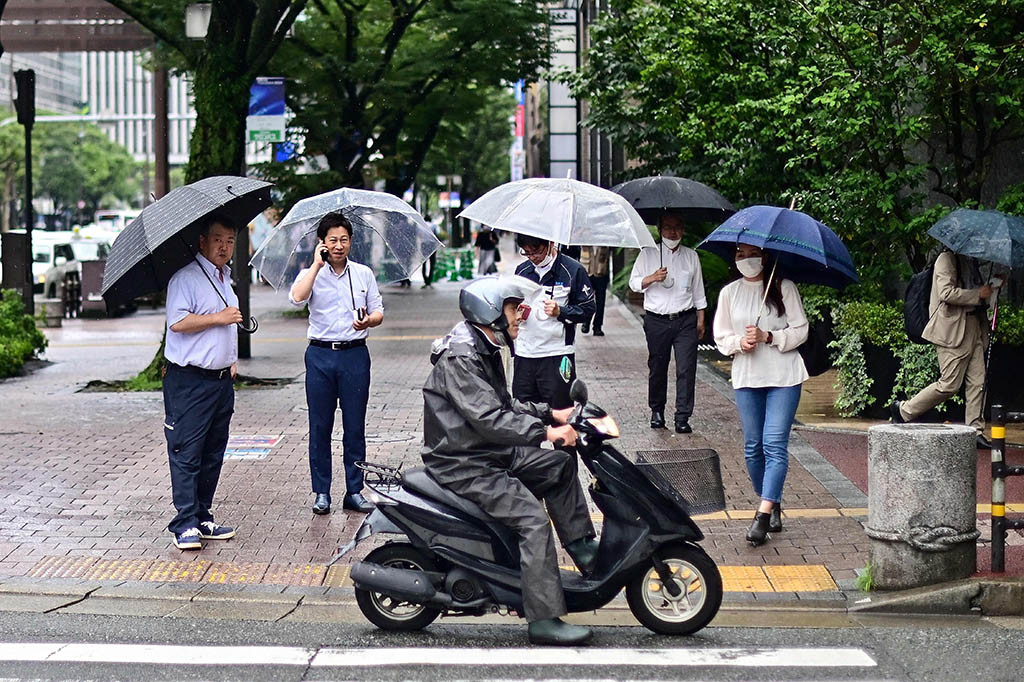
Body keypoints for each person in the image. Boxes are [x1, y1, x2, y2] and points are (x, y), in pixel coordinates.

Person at [421, 276, 598, 646]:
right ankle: (544, 618)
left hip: (485, 449)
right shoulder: (461, 357)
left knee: (559, 467)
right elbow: (491, 419)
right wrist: (547, 434)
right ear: (489, 312)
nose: (521, 315)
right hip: (463, 461)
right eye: (513, 308)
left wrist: (552, 413)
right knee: (533, 522)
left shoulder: (482, 346)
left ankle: (584, 549)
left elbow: (504, 405)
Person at [713, 242, 808, 546]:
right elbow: (721, 336)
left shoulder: (784, 287)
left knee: (774, 444)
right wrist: (740, 343)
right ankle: (772, 497)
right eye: (740, 255)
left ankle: (763, 514)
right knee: (753, 448)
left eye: (752, 254)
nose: (746, 260)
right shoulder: (730, 293)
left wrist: (770, 336)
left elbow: (801, 330)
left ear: (765, 257)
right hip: (747, 377)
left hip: (784, 375)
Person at [290, 212, 384, 515]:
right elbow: (296, 298)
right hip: (319, 356)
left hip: (355, 354)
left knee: (355, 425)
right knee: (320, 425)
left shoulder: (363, 273)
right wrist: (316, 265)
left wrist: (369, 320)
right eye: (333, 240)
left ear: (351, 242)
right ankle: (322, 491)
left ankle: (354, 490)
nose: (339, 245)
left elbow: (378, 311)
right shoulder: (311, 273)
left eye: (344, 239)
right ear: (322, 243)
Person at [162, 215, 242, 550]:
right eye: (218, 239)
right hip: (190, 381)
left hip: (221, 382)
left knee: (213, 451)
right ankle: (184, 522)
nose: (224, 247)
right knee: (187, 450)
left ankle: (202, 515)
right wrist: (218, 318)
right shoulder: (186, 278)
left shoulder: (225, 279)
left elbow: (227, 326)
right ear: (202, 241)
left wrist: (231, 358)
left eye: (230, 241)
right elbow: (177, 322)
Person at [891, 249, 1002, 448]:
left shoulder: (972, 262)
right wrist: (979, 293)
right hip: (952, 330)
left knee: (978, 382)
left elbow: (978, 293)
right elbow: (946, 292)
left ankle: (975, 430)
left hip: (975, 326)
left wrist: (993, 286)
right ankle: (904, 410)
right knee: (949, 384)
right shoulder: (946, 259)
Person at [628, 213, 707, 433]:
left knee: (686, 368)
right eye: (668, 228)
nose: (673, 233)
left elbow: (698, 290)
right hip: (657, 321)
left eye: (677, 227)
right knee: (658, 367)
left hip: (685, 320)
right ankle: (657, 411)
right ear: (660, 229)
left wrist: (701, 318)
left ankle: (682, 416)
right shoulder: (648, 254)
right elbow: (634, 283)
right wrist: (652, 278)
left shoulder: (691, 257)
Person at [513, 235, 596, 409]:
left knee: (561, 412)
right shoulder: (521, 271)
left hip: (557, 354)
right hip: (525, 354)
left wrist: (561, 311)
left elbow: (587, 310)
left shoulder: (573, 270)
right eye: (526, 252)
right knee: (524, 414)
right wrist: (516, 314)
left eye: (536, 251)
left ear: (550, 244)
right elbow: (512, 305)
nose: (532, 257)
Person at [580, 246, 610, 336]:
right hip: (587, 274)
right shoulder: (583, 240)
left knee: (600, 302)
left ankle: (597, 326)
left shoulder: (605, 242)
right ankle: (586, 321)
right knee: (587, 300)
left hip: (601, 273)